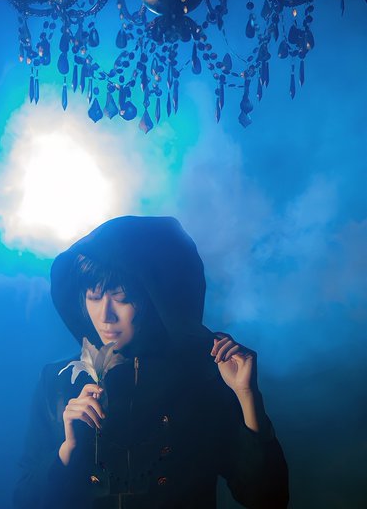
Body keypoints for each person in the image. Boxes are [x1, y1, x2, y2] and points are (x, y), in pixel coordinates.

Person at [14, 216, 289, 509]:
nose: (105, 316)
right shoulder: (58, 381)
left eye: (121, 298)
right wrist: (67, 451)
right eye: (93, 297)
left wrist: (247, 396)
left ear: (152, 298)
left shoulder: (202, 377)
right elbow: (24, 501)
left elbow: (267, 499)